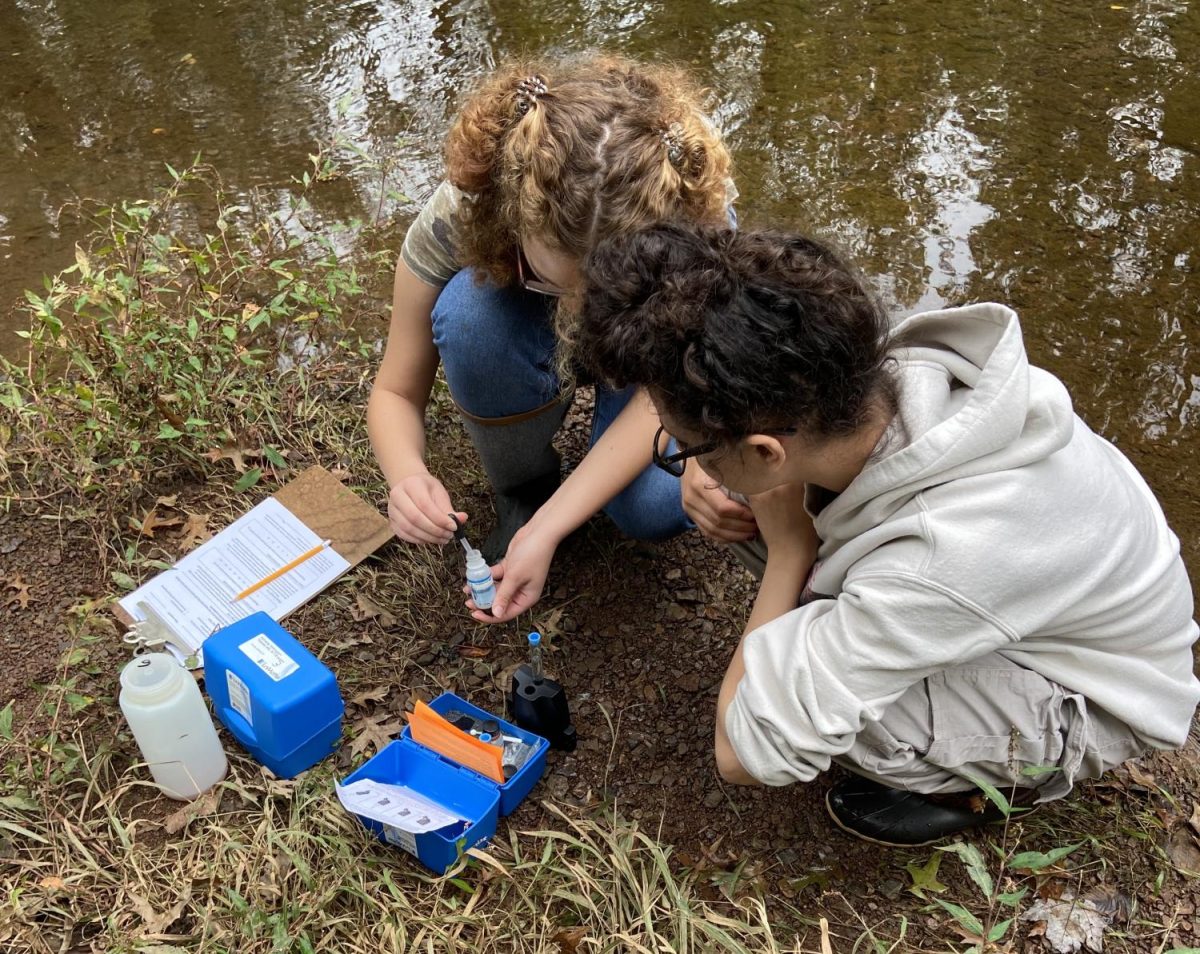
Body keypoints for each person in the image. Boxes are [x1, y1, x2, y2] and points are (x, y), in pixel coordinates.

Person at [577, 223, 1200, 845]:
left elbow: (741, 749)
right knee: (745, 507)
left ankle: (986, 787)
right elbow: (761, 477)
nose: (685, 461)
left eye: (684, 449)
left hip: (1095, 691)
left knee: (850, 721)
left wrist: (791, 551)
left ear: (768, 451)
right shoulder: (882, 383)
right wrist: (718, 471)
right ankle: (851, 627)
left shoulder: (942, 551)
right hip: (1022, 594)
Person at [367, 54, 737, 624]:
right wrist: (406, 476)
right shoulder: (462, 212)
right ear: (515, 216)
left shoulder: (695, 218)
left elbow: (666, 392)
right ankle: (524, 489)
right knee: (470, 317)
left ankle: (565, 499)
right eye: (555, 283)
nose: (577, 313)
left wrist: (553, 527)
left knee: (651, 507)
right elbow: (394, 390)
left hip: (651, 364)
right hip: (511, 319)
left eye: (609, 292)